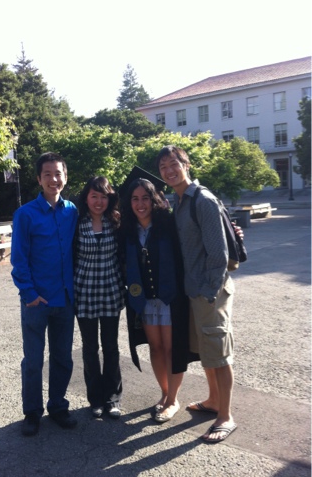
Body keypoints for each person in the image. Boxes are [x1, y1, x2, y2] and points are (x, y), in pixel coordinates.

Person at [156, 145, 237, 443]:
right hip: (194, 290)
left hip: (208, 291)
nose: (169, 169)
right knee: (207, 350)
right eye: (163, 166)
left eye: (173, 163)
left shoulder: (202, 200)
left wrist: (207, 293)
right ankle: (214, 400)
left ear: (186, 164)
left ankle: (226, 416)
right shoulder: (179, 201)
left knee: (219, 352)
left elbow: (218, 255)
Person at [120, 177, 199, 423]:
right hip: (144, 299)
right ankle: (164, 394)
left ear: (154, 199)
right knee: (155, 348)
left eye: (145, 197)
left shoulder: (168, 223)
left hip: (170, 296)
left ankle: (173, 399)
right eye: (135, 198)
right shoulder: (127, 229)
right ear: (129, 202)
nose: (140, 203)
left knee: (172, 348)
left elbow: (195, 238)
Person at [11, 152, 78, 437]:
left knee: (63, 356)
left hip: (65, 298)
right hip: (37, 300)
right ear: (39, 179)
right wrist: (28, 293)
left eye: (58, 173)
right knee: (34, 359)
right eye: (47, 174)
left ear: (65, 176)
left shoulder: (73, 210)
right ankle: (32, 412)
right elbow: (19, 257)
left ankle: (58, 405)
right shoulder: (25, 214)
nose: (54, 179)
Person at [74, 176, 125, 419]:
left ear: (109, 198)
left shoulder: (115, 222)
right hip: (84, 293)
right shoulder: (77, 223)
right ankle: (95, 398)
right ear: (86, 198)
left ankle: (112, 399)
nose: (99, 201)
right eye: (94, 195)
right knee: (90, 348)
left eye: (103, 196)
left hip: (110, 292)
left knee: (111, 347)